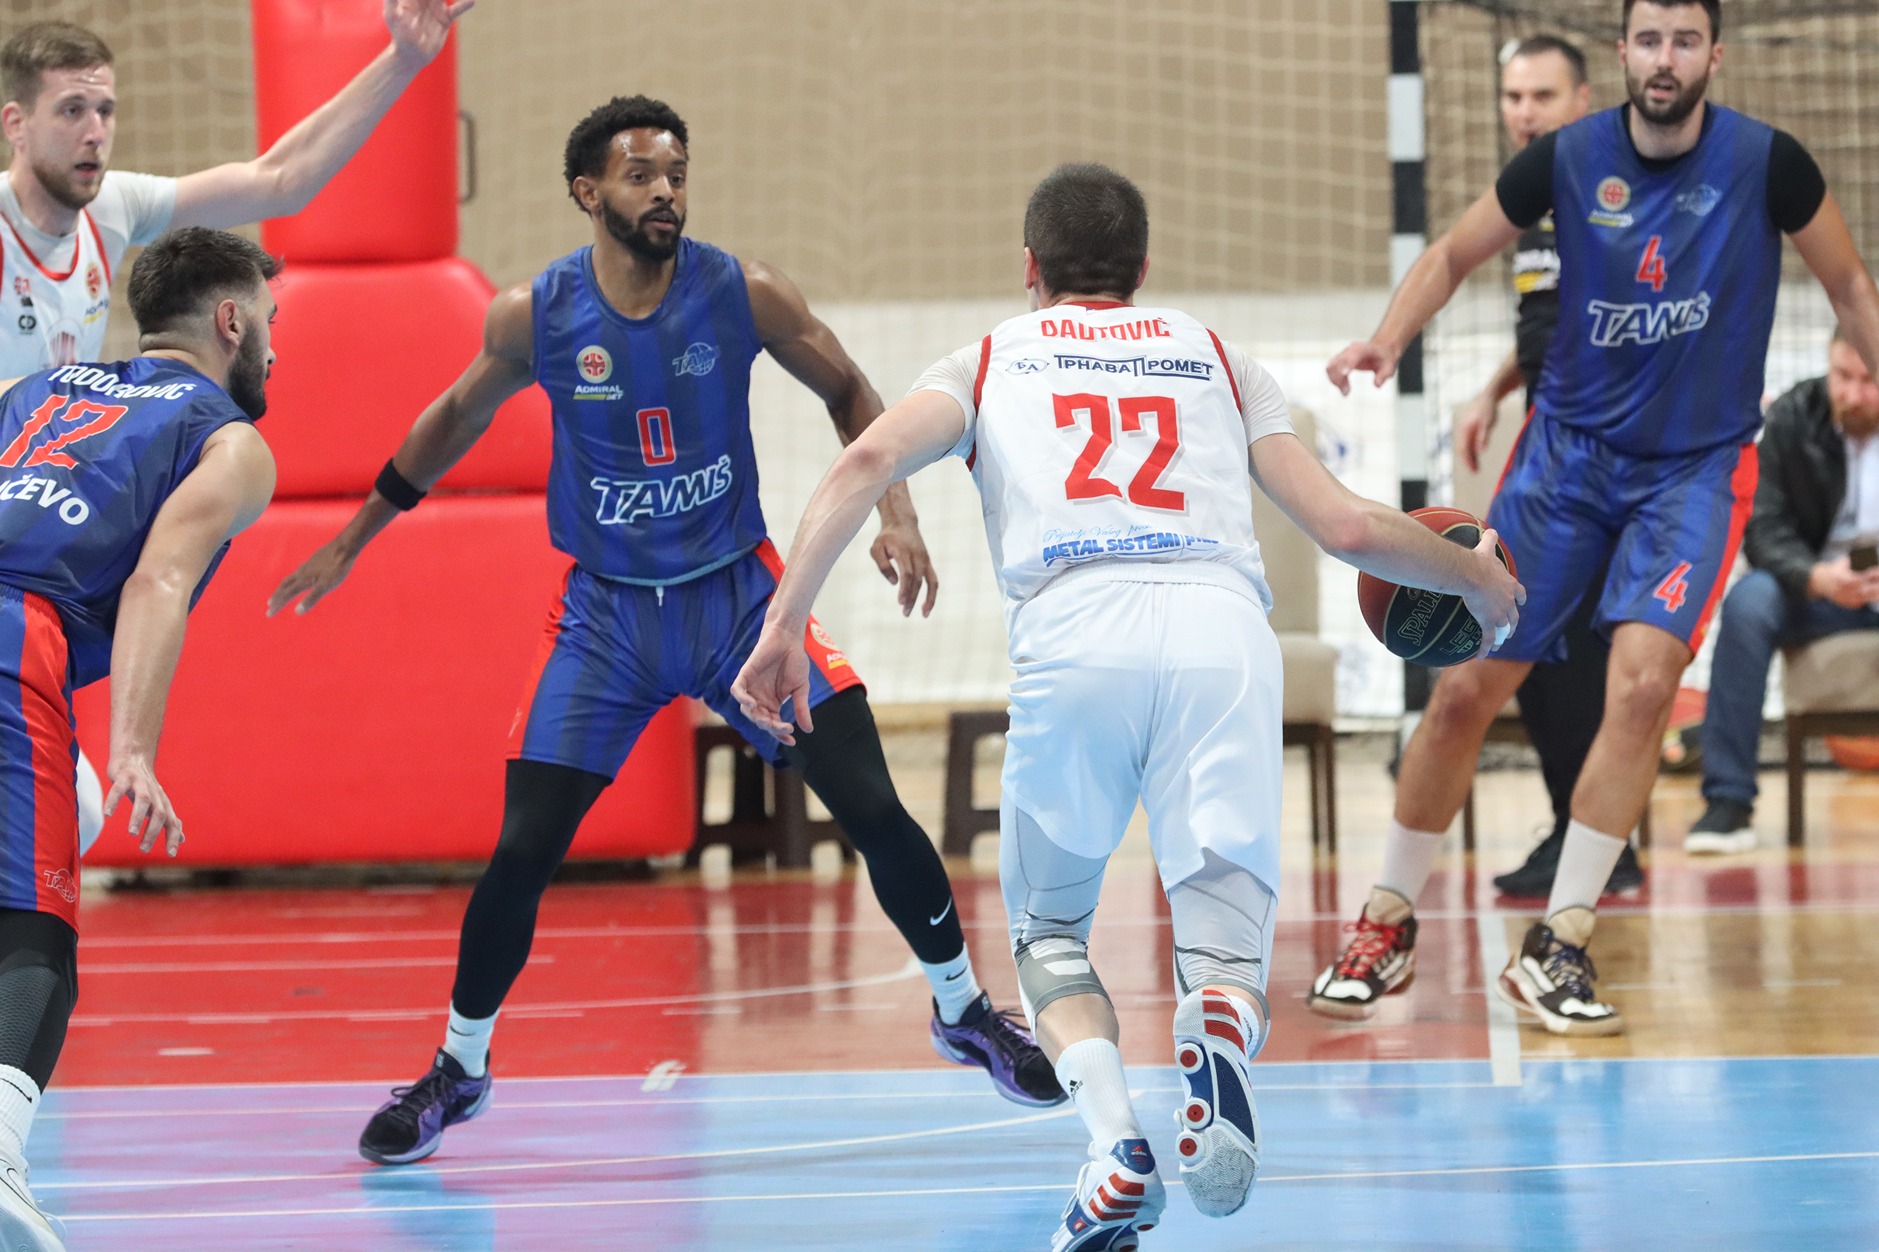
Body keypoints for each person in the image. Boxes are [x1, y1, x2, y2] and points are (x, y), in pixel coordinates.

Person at [730, 163, 1522, 1250]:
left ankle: (1113, 1148)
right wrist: (1470, 575)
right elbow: (1344, 528)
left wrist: (783, 628)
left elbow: (866, 455)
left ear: (1029, 267)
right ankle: (1217, 1036)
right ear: (1142, 269)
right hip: (1219, 637)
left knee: (1051, 932)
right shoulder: (1216, 355)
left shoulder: (989, 358)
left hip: (1075, 634)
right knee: (1224, 950)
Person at [266, 95, 1059, 1167]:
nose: (665, 192)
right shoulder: (534, 315)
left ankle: (962, 1009)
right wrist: (357, 534)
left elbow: (849, 388)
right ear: (588, 192)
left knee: (873, 805)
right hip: (605, 622)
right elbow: (454, 418)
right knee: (521, 852)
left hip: (739, 607)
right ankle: (459, 1067)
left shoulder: (743, 290)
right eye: (640, 175)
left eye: (676, 173)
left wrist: (897, 512)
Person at [1314, 0, 1879, 1036]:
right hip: (1565, 461)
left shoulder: (1769, 163)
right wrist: (1388, 339)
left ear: (1713, 53)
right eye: (1648, 40)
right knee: (1464, 689)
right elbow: (1451, 253)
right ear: (1622, 52)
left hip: (1695, 470)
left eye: (1683, 40)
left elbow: (1848, 285)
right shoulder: (1566, 159)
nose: (1664, 59)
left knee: (1645, 684)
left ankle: (1559, 943)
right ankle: (1384, 922)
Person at [0, 2, 470, 855]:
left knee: (76, 810)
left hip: (31, 556)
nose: (95, 131)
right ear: (15, 123)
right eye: (71, 110)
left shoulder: (112, 210)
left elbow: (282, 178)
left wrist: (404, 59)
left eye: (105, 109)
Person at [0, 226, 279, 1251]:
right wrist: (132, 748)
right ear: (231, 320)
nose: (278, 347)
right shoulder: (230, 442)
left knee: (62, 808)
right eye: (273, 322)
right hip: (13, 636)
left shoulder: (31, 391)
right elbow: (159, 578)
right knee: (37, 929)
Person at [1454, 35, 1642, 899]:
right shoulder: (1533, 200)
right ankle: (1581, 833)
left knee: (1552, 643)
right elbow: (1546, 324)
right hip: (1549, 441)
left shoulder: (1612, 195)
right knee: (1535, 643)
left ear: (1582, 100)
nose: (1523, 112)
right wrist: (1493, 390)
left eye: (1541, 95)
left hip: (1607, 456)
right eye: (1512, 97)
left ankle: (1598, 842)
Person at [1685, 328, 1879, 853]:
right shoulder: (1796, 415)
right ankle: (1728, 802)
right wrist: (1817, 578)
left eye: (1868, 380)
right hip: (1821, 591)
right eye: (1842, 376)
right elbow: (1763, 526)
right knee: (1748, 602)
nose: (1852, 394)